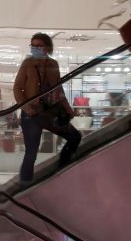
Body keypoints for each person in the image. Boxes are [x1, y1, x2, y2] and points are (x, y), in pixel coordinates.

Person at [14, 33, 81, 185]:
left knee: (74, 136)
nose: (35, 49)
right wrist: (27, 108)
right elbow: (17, 88)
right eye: (33, 46)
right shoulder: (27, 63)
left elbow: (58, 89)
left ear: (47, 48)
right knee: (31, 152)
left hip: (49, 112)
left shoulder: (53, 64)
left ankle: (61, 169)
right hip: (31, 113)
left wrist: (68, 108)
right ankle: (25, 184)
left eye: (39, 46)